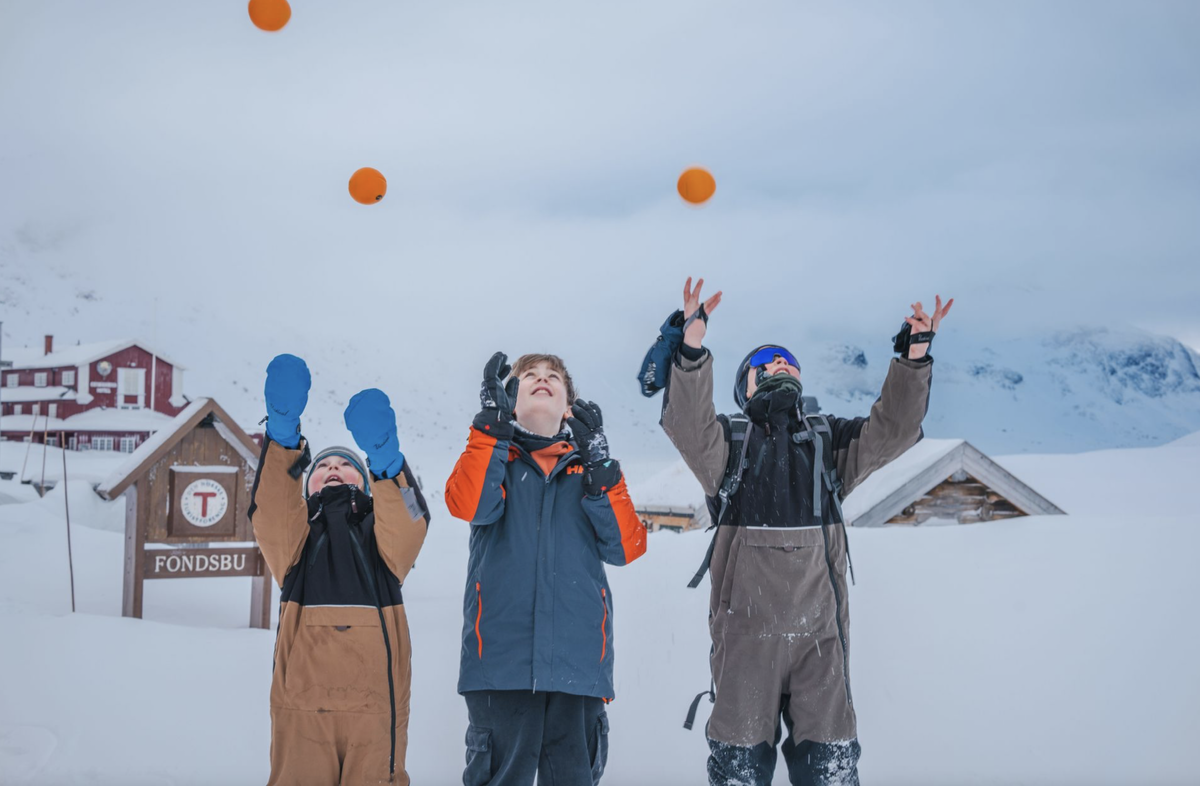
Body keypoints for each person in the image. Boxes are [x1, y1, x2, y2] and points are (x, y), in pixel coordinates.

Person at [659, 278, 952, 786]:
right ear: (742, 388)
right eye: (765, 363)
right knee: (738, 772)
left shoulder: (828, 440)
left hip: (820, 640)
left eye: (788, 362)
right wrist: (690, 350)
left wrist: (915, 355)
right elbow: (687, 426)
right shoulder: (728, 445)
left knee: (830, 771)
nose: (779, 366)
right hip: (745, 638)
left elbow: (894, 430)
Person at [445, 352, 649, 785]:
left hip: (578, 669)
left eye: (553, 377)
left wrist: (599, 463)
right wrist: (490, 428)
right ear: (510, 399)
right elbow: (468, 503)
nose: (542, 380)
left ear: (568, 406)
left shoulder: (591, 471)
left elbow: (626, 546)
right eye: (529, 376)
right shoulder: (495, 457)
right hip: (501, 666)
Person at [250, 353, 430, 786]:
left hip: (377, 705)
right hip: (301, 705)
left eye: (346, 464)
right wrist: (282, 439)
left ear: (366, 483)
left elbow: (412, 521)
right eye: (323, 467)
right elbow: (272, 508)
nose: (333, 469)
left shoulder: (381, 537)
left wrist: (387, 461)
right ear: (306, 484)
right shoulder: (295, 539)